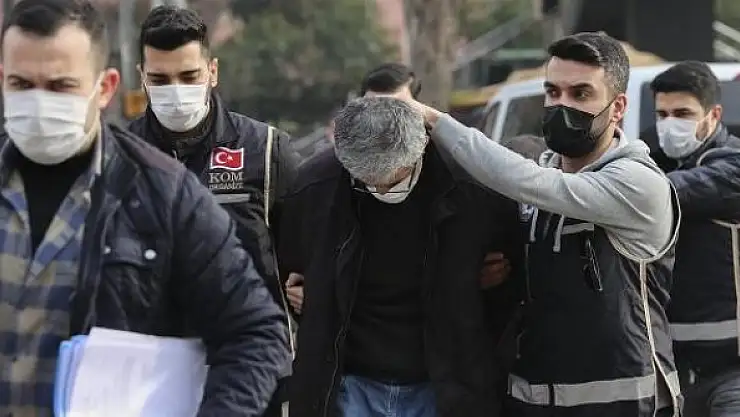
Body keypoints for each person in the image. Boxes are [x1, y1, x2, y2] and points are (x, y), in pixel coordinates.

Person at [0, 1, 289, 416]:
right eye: (22, 84)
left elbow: (255, 332)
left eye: (61, 86)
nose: (40, 103)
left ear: (105, 88)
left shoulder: (164, 193)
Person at [400, 32, 682, 417]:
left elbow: (533, 184)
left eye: (580, 94)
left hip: (623, 405)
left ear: (617, 108)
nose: (562, 105)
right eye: (553, 92)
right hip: (532, 400)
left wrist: (436, 120)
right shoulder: (542, 179)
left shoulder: (636, 182)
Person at [278, 96, 522, 417]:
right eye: (368, 184)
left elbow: (514, 281)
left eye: (394, 181)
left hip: (446, 381)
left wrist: (475, 293)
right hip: (348, 381)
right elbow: (291, 270)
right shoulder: (315, 189)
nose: (382, 192)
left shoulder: (474, 189)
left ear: (421, 148)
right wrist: (312, 297)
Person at [127, 9, 298, 415]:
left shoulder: (265, 150)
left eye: (189, 76)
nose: (176, 91)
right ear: (142, 77)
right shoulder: (120, 156)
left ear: (213, 72)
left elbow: (304, 251)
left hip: (248, 371)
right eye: (160, 80)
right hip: (149, 372)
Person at [284, 62, 513, 317]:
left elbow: (508, 273)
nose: (385, 121)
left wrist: (477, 284)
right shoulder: (317, 184)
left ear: (421, 114)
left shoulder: (468, 182)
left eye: (397, 108)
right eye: (375, 109)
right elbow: (289, 268)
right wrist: (312, 298)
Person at [650, 61, 740, 416]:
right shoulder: (656, 165)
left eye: (683, 114)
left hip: (732, 373)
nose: (670, 124)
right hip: (676, 372)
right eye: (662, 114)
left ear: (713, 115)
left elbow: (670, 193)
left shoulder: (732, 166)